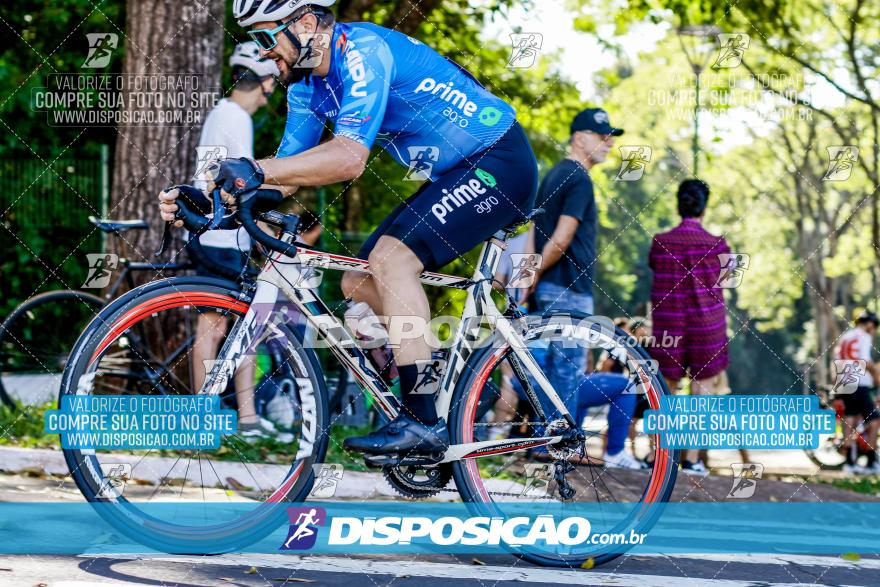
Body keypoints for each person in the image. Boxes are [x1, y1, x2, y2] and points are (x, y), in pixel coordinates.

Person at [158, 0, 539, 459]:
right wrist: (214, 199)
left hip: (499, 161)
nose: (261, 55)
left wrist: (253, 170)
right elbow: (285, 173)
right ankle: (430, 365)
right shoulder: (306, 87)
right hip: (457, 173)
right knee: (357, 281)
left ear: (304, 23)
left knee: (391, 260)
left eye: (264, 37)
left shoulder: (362, 51)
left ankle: (422, 422)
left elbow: (348, 158)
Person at [190, 41, 279, 440]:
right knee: (232, 327)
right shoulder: (236, 117)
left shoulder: (221, 114)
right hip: (223, 238)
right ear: (264, 83)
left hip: (217, 235)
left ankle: (225, 418)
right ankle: (237, 419)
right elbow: (244, 182)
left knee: (224, 326)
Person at [528, 107, 622, 428]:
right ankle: (558, 442)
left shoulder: (553, 174)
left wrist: (531, 273)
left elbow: (532, 230)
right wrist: (537, 271)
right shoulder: (579, 179)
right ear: (579, 138)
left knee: (554, 365)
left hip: (549, 287)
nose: (609, 142)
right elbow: (562, 237)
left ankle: (544, 436)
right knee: (569, 367)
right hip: (569, 288)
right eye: (602, 135)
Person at [648, 179, 731, 474]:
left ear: (677, 205)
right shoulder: (718, 245)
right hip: (707, 324)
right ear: (704, 208)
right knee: (702, 389)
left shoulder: (660, 243)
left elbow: (655, 267)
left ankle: (659, 457)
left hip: (669, 323)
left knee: (666, 387)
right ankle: (692, 460)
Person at [833, 309, 880, 474]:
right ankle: (871, 462)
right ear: (869, 324)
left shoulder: (846, 337)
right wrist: (877, 377)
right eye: (874, 326)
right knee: (874, 420)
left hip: (845, 380)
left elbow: (836, 359)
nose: (873, 330)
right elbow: (866, 361)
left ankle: (850, 462)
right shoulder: (864, 336)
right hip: (859, 381)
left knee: (850, 419)